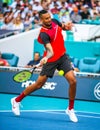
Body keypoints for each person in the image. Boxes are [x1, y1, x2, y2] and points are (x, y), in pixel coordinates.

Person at [11, 10, 78, 123]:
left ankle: (70, 109)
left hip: (62, 56)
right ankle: (16, 100)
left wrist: (68, 26)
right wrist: (46, 57)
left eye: (49, 17)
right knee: (38, 85)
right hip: (50, 59)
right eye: (46, 18)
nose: (49, 20)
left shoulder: (55, 21)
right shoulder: (43, 34)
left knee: (73, 81)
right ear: (41, 20)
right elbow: (50, 51)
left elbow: (63, 28)